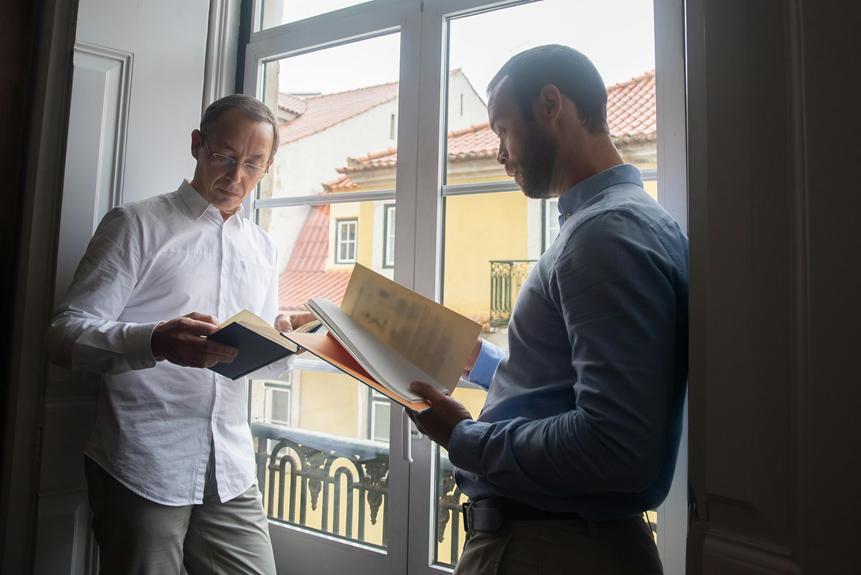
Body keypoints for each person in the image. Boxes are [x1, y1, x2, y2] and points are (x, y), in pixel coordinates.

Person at [410, 45, 688, 574]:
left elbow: (614, 445)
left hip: (551, 549)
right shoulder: (619, 222)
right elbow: (574, 384)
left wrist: (464, 437)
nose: (499, 151)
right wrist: (485, 363)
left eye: (502, 129)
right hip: (562, 542)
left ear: (550, 105)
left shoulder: (604, 236)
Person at [47, 94, 308, 574]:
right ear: (197, 145)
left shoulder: (264, 247)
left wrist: (289, 343)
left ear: (269, 166)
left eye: (252, 164)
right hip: (142, 461)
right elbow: (64, 335)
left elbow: (247, 357)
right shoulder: (135, 225)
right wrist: (154, 341)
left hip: (230, 465)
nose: (236, 178)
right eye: (224, 157)